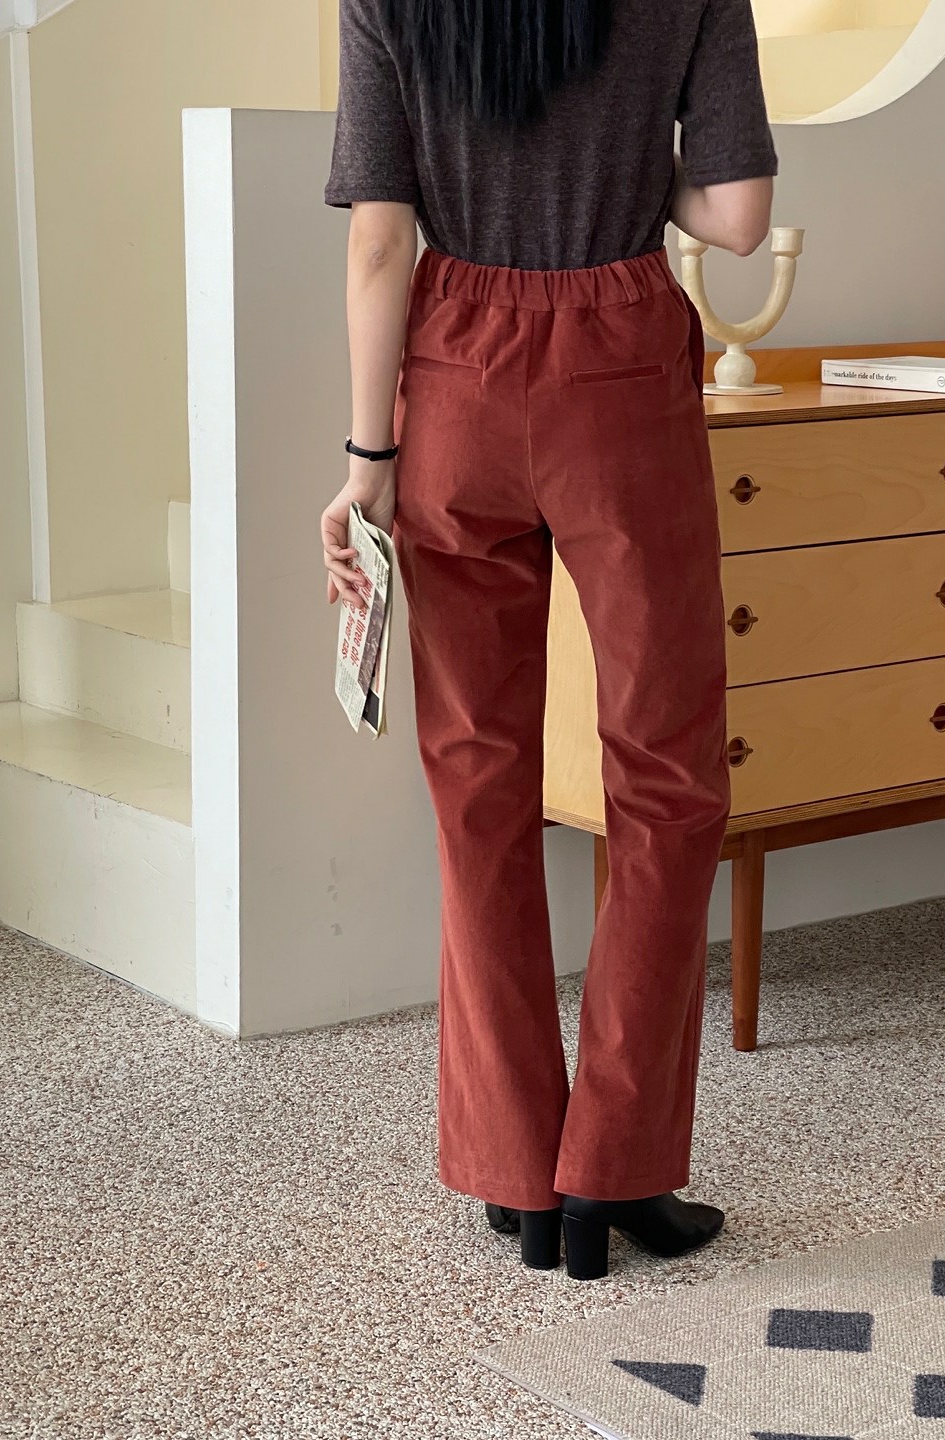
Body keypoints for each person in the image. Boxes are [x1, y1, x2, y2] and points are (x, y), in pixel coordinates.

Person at [321, 0, 776, 1281]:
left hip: (453, 382)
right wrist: (637, 176)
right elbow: (740, 217)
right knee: (667, 776)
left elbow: (380, 239)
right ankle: (616, 1170)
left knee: (477, 778)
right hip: (622, 376)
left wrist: (368, 461)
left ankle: (518, 1169)